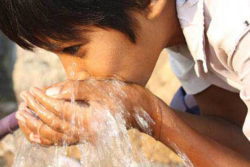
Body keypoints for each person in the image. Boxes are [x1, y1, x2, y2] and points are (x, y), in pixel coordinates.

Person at [1, 0, 250, 166]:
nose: (73, 76)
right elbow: (236, 136)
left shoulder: (237, 28)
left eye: (75, 49)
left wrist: (153, 116)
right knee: (187, 116)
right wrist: (140, 113)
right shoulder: (179, 28)